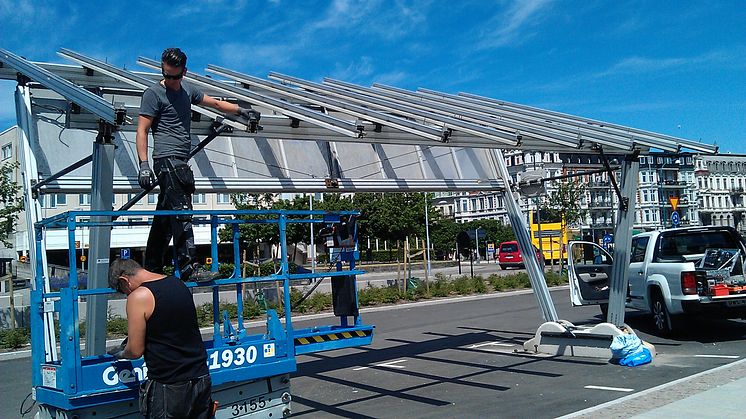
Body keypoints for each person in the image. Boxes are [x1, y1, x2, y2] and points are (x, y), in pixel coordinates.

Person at [137, 47, 259, 280]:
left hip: (180, 159)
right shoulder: (153, 94)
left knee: (165, 218)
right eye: (167, 75)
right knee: (182, 213)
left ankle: (151, 268)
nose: (171, 80)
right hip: (167, 160)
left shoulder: (187, 91)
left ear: (184, 72)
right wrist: (143, 164)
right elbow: (142, 130)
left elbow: (214, 103)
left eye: (176, 76)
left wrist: (241, 110)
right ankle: (188, 268)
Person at [107, 258, 214, 418]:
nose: (126, 294)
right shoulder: (178, 284)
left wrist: (121, 353)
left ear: (124, 280)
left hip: (169, 385)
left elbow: (135, 351)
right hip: (200, 378)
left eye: (122, 290)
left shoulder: (139, 296)